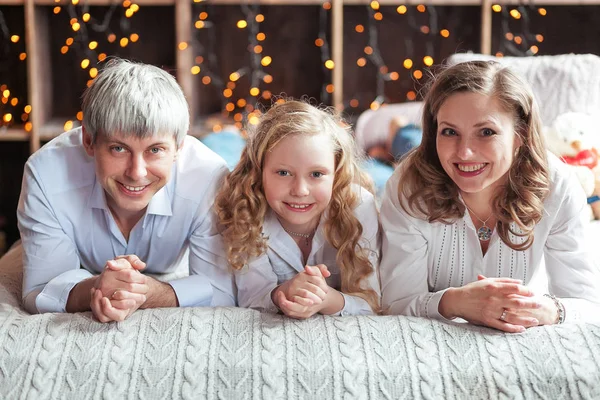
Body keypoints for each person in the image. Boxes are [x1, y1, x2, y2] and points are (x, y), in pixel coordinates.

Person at [380, 60, 600, 332]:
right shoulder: (407, 186)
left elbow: (587, 303)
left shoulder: (558, 185)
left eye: (486, 132)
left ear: (520, 134)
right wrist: (455, 302)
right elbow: (394, 302)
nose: (464, 153)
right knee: (400, 144)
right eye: (449, 131)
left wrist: (548, 309)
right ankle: (398, 131)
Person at [17, 58, 235, 322]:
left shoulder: (209, 177)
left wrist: (150, 293)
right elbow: (40, 290)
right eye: (118, 148)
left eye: (155, 150)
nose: (137, 172)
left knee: (233, 151)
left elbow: (221, 290)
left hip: (209, 169)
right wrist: (96, 288)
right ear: (88, 140)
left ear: (178, 147)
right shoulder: (46, 173)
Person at [215, 100, 380, 318]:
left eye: (317, 174)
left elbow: (372, 301)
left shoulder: (359, 207)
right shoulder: (245, 209)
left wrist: (326, 299)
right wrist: (283, 294)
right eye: (283, 173)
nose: (300, 190)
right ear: (259, 172)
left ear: (337, 174)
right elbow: (252, 298)